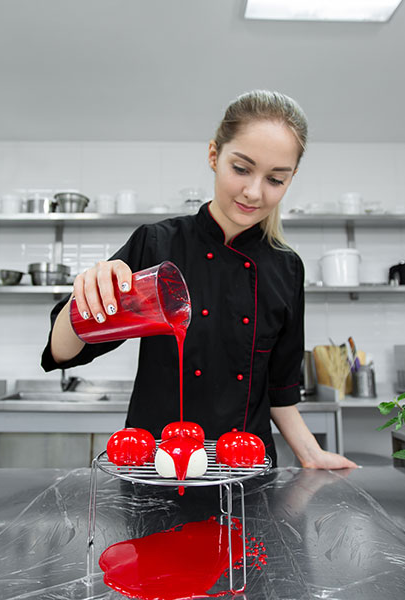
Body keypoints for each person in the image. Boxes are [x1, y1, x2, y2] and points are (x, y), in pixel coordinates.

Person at [42, 89, 357, 470]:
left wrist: (311, 454)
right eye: (241, 169)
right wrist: (86, 296)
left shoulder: (287, 267)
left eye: (275, 179)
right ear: (214, 156)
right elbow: (64, 351)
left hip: (246, 472)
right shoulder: (157, 244)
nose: (253, 192)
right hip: (156, 469)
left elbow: (280, 389)